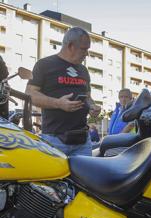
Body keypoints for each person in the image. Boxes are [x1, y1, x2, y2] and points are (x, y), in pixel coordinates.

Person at [25, 27, 101, 156]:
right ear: (71, 46)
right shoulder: (44, 65)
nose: (86, 54)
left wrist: (92, 106)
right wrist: (58, 103)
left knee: (83, 177)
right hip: (54, 140)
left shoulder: (83, 70)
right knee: (55, 177)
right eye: (84, 49)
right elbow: (30, 94)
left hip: (82, 140)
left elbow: (88, 96)